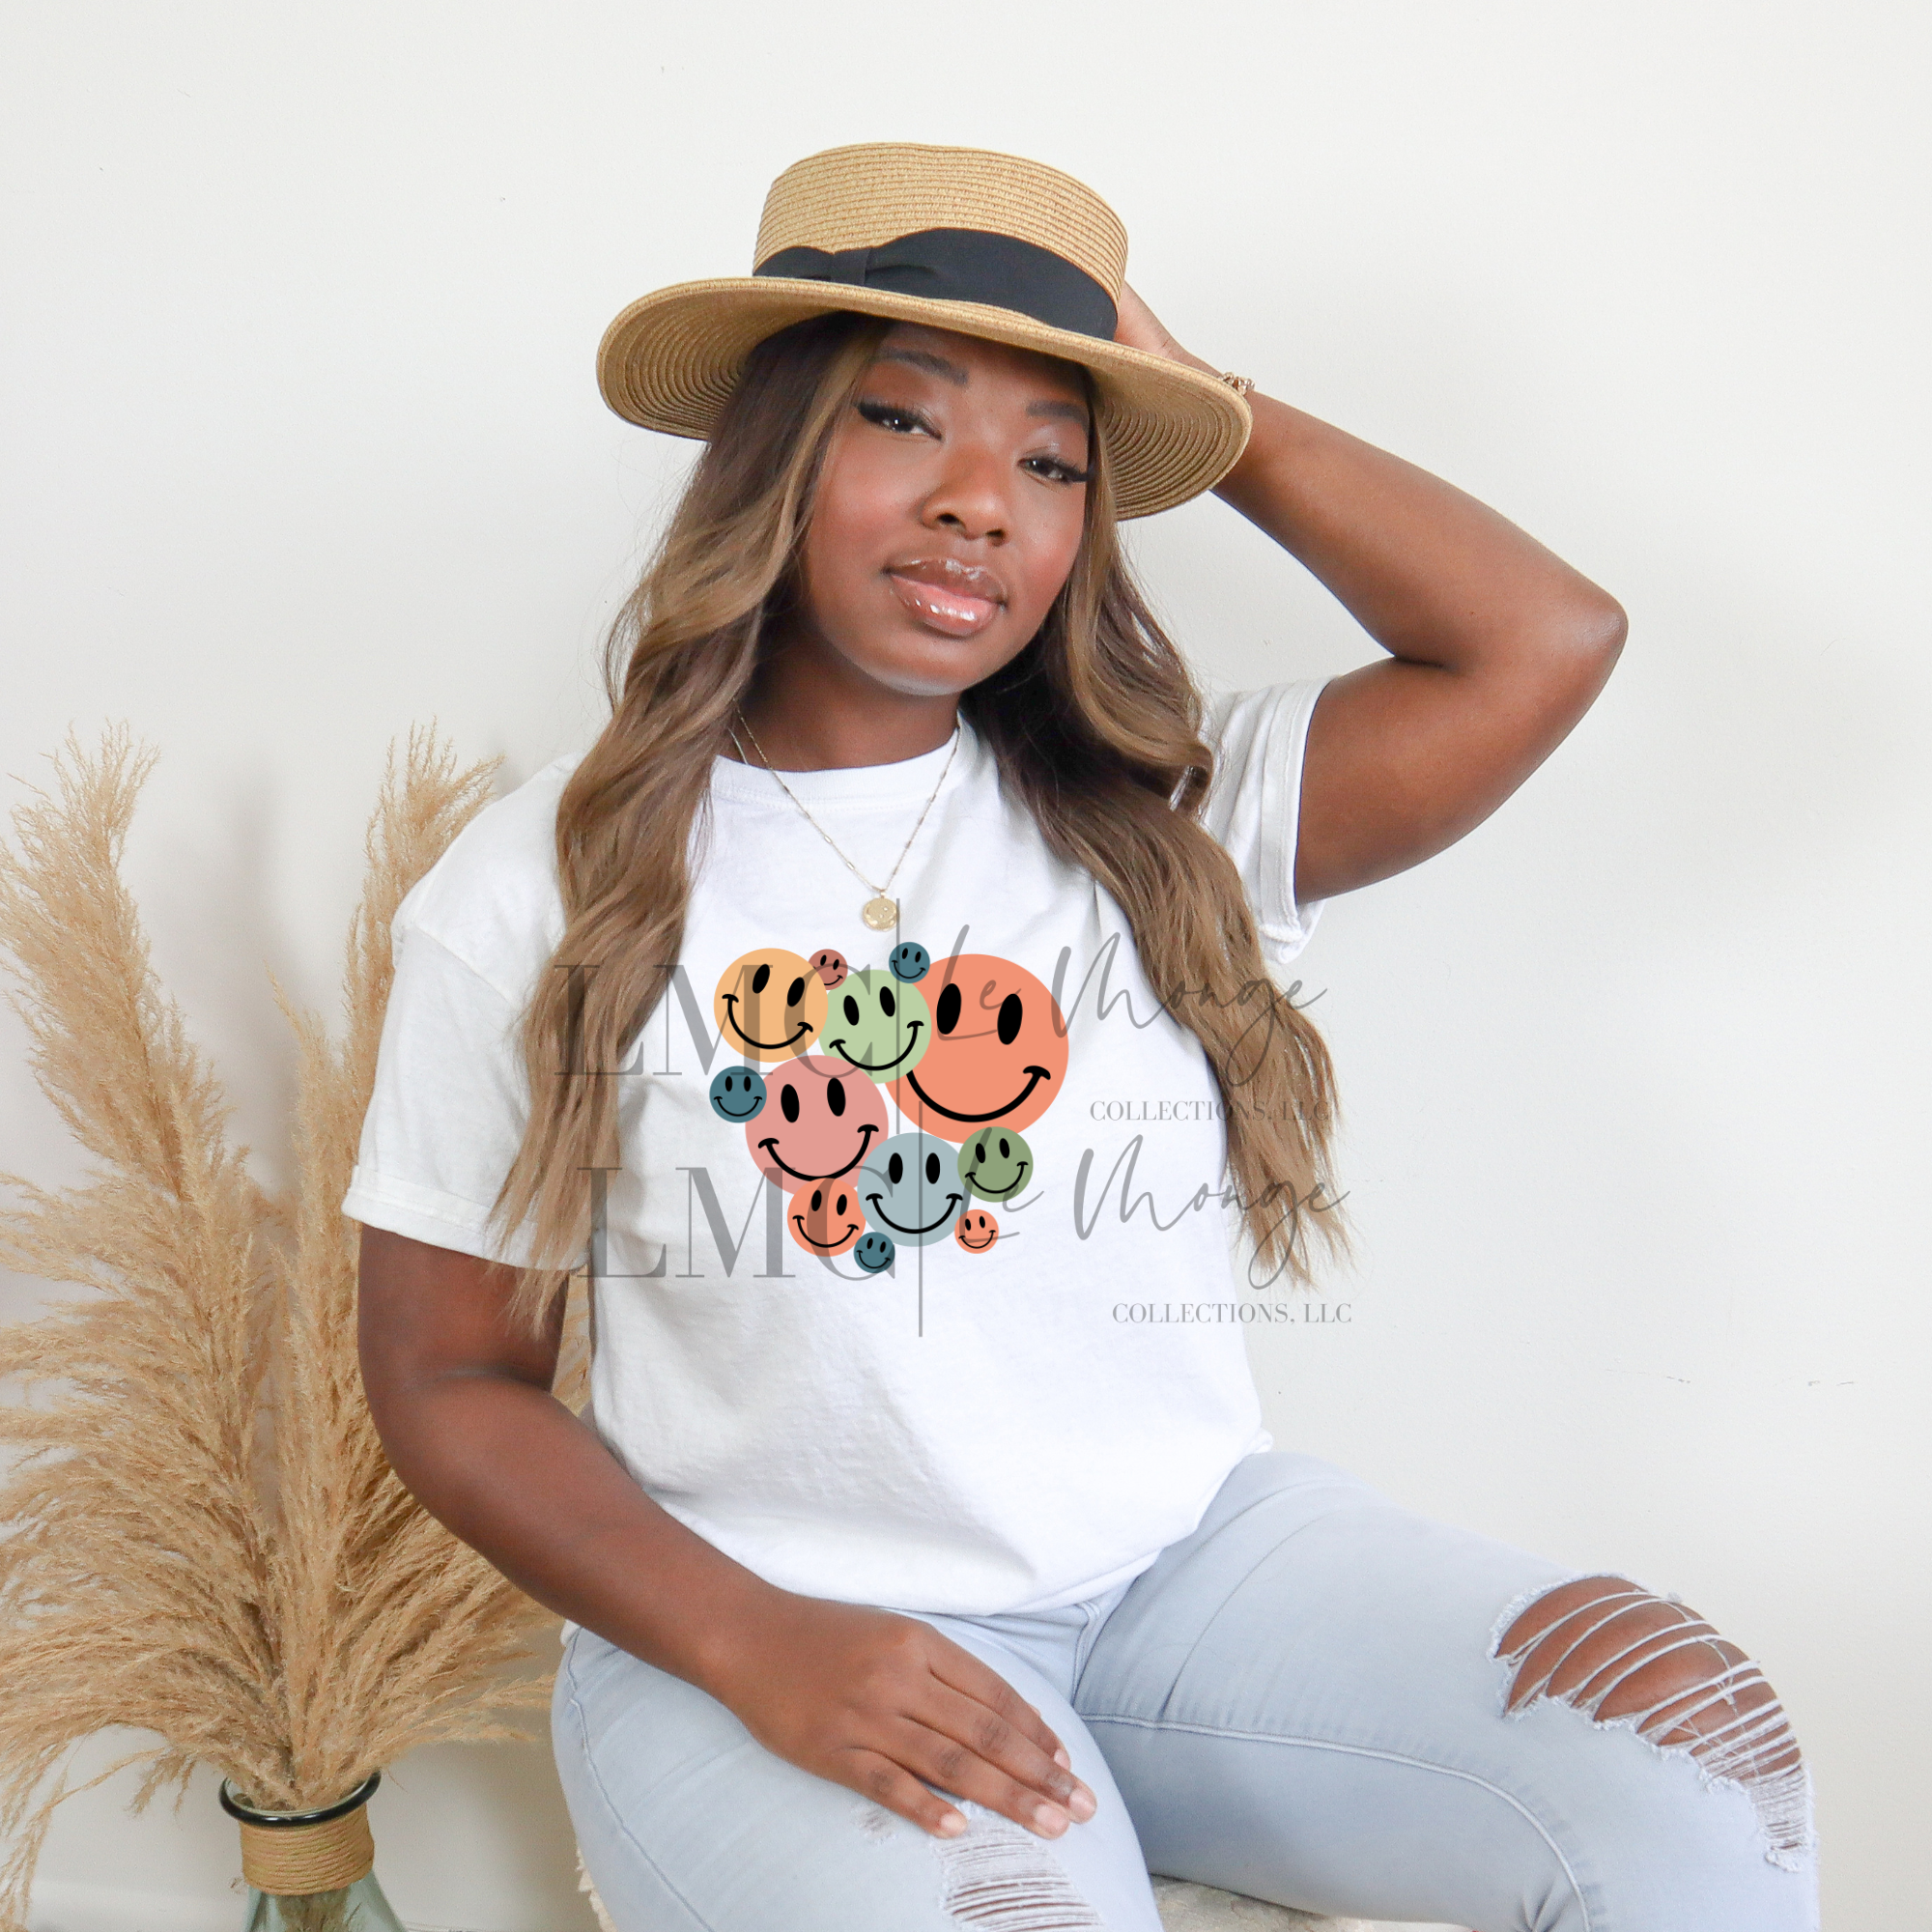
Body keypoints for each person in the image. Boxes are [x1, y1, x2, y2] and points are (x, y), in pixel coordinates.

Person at [349, 143, 1818, 1932]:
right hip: (769, 1621)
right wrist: (753, 1642)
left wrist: (1203, 400)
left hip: (1181, 1582)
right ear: (771, 453)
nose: (985, 502)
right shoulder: (539, 884)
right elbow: (452, 1380)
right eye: (906, 420)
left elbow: (1542, 639)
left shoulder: (1164, 817)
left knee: (1695, 1759)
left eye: (1055, 461)